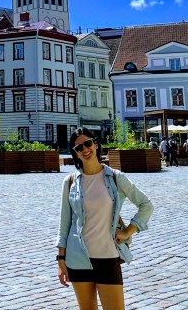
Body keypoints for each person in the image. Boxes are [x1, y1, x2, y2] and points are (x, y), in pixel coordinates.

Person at [57, 127, 154, 310]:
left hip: (108, 256)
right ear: (75, 153)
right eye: (78, 148)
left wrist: (127, 232)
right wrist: (61, 259)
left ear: (95, 143)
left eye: (88, 143)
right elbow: (65, 224)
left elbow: (146, 204)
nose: (85, 149)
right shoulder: (70, 182)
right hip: (78, 257)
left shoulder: (115, 178)